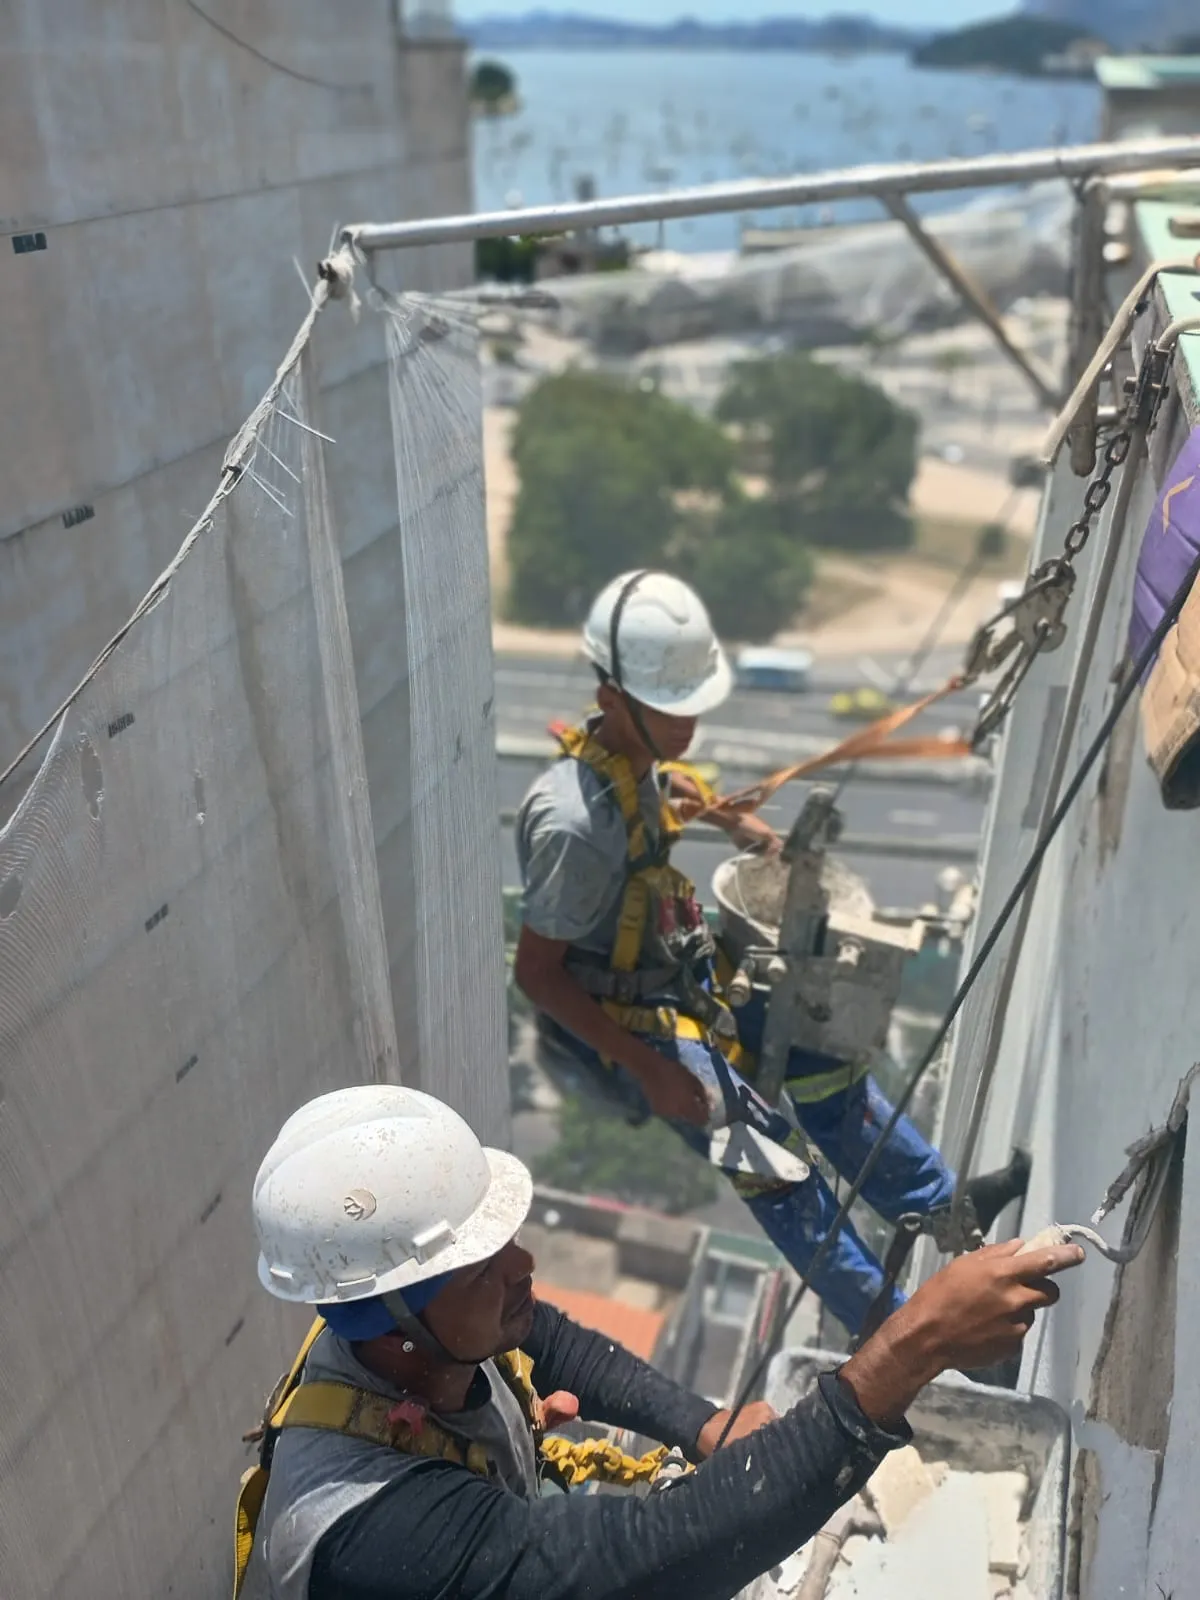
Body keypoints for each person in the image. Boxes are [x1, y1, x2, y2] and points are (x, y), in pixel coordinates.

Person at [236, 1084, 1082, 1600]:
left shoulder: (393, 1336)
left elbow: (542, 1340)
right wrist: (915, 1343)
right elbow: (648, 1564)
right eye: (483, 1268)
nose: (525, 1266)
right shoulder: (374, 1540)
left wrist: (705, 1425)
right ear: (400, 1325)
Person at [514, 570, 1029, 1338]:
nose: (687, 726)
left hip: (675, 975)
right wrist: (652, 1068)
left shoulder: (624, 759)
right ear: (613, 697)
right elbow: (539, 976)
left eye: (693, 707)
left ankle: (937, 1203)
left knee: (820, 1044)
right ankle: (910, 1332)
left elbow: (659, 789)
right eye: (670, 708)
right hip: (624, 1023)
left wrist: (728, 820)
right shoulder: (572, 828)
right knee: (774, 1162)